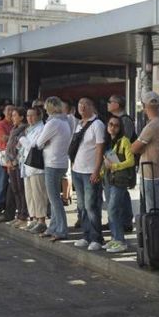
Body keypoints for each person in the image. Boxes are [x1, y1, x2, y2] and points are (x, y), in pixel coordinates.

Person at [71, 97, 106, 251]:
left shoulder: (97, 125)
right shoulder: (79, 124)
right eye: (80, 105)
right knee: (81, 206)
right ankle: (86, 235)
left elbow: (100, 149)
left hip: (90, 171)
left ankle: (96, 238)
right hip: (77, 170)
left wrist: (96, 170)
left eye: (86, 104)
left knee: (91, 205)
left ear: (93, 107)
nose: (82, 107)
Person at [36, 96, 72, 241]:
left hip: (52, 163)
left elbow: (38, 142)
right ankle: (53, 227)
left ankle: (62, 230)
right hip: (62, 162)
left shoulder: (53, 123)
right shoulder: (66, 121)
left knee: (54, 199)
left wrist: (45, 142)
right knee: (54, 198)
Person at [131, 91, 159, 211]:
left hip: (150, 173)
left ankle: (153, 230)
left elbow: (133, 148)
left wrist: (141, 147)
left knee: (152, 209)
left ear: (144, 106)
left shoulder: (151, 126)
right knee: (154, 206)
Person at [101, 115, 135, 253]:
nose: (113, 127)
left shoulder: (124, 141)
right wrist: (101, 175)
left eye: (116, 125)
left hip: (119, 180)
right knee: (111, 211)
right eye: (110, 124)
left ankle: (120, 240)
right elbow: (105, 163)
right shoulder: (107, 141)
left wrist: (115, 166)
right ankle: (115, 238)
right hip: (108, 180)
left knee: (114, 210)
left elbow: (131, 161)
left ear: (120, 128)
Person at [106, 94, 135, 231]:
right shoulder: (118, 120)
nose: (107, 104)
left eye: (109, 102)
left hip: (121, 165)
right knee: (119, 196)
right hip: (113, 164)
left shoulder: (125, 120)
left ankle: (124, 222)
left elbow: (124, 143)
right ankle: (118, 221)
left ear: (117, 105)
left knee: (120, 196)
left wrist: (115, 164)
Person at [19, 106, 48, 233]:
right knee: (30, 194)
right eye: (27, 115)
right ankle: (34, 218)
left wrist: (21, 139)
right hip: (27, 166)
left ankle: (41, 220)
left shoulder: (42, 128)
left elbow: (34, 146)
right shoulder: (29, 129)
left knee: (38, 194)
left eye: (32, 115)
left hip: (36, 167)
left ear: (39, 116)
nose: (29, 118)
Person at [5, 107, 29, 226]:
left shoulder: (24, 130)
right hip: (11, 163)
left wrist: (14, 161)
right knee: (15, 189)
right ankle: (19, 214)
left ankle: (24, 216)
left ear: (21, 117)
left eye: (15, 115)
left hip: (19, 164)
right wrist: (8, 161)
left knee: (21, 190)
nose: (12, 117)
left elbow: (22, 149)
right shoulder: (14, 129)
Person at [0, 105, 14, 216]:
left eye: (12, 110)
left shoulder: (15, 124)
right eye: (8, 110)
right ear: (4, 112)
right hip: (4, 154)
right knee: (2, 180)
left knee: (12, 182)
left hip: (15, 155)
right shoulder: (0, 124)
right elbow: (3, 138)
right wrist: (15, 136)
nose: (10, 112)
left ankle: (8, 205)